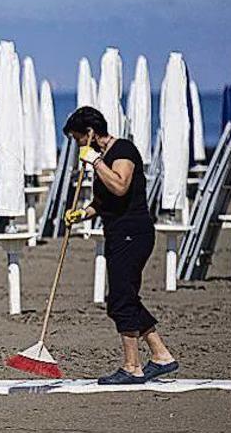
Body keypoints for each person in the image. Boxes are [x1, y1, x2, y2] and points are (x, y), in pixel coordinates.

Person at [62, 106, 178, 385]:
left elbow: (121, 186)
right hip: (117, 232)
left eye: (78, 138)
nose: (77, 145)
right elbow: (104, 201)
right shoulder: (100, 158)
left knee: (122, 299)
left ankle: (132, 366)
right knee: (122, 298)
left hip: (134, 233)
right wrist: (81, 214)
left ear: (90, 133)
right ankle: (162, 356)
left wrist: (96, 162)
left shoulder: (123, 150)